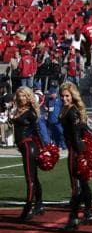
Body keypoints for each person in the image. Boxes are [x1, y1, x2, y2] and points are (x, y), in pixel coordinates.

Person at [59, 82, 92, 230]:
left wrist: (80, 154)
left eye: (67, 96)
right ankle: (88, 213)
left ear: (73, 96)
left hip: (76, 149)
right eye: (62, 96)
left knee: (76, 185)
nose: (64, 98)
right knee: (83, 183)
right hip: (77, 148)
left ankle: (74, 218)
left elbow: (75, 134)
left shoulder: (72, 111)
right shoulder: (68, 109)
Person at [10, 86, 45, 220]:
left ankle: (28, 209)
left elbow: (37, 132)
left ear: (29, 97)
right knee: (33, 177)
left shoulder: (31, 112)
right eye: (19, 95)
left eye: (24, 96)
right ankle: (39, 204)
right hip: (24, 146)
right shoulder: (18, 110)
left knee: (30, 178)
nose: (21, 98)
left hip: (28, 146)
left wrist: (43, 149)